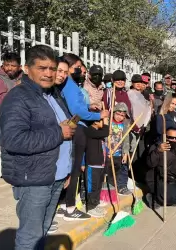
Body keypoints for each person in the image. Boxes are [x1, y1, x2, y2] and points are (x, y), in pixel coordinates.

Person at [0, 45, 75, 249]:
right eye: (42, 68)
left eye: (52, 68)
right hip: (34, 179)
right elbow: (15, 140)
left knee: (43, 230)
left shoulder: (53, 95)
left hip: (56, 176)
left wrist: (67, 168)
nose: (48, 73)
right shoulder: (18, 97)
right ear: (26, 68)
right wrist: (58, 133)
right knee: (30, 235)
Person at [57, 53, 109, 221]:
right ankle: (70, 208)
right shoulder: (70, 85)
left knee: (71, 166)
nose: (80, 69)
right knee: (74, 169)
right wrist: (98, 115)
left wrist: (88, 105)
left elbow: (78, 106)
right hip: (77, 128)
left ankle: (64, 203)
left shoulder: (69, 84)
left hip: (74, 125)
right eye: (77, 66)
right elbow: (77, 111)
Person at [0, 52, 22, 139]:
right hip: (3, 119)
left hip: (21, 117)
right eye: (7, 65)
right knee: (7, 148)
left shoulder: (24, 78)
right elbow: (2, 101)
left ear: (19, 67)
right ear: (3, 65)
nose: (9, 68)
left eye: (13, 66)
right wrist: (16, 87)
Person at [84, 116, 109, 217]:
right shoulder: (90, 131)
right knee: (92, 187)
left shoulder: (98, 132)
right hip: (93, 165)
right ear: (95, 122)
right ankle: (91, 207)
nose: (104, 123)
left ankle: (96, 202)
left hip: (100, 165)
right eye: (102, 120)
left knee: (98, 186)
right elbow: (106, 132)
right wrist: (106, 123)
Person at [105, 103, 132, 195]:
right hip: (108, 152)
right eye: (118, 114)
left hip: (119, 153)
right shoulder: (107, 122)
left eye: (122, 115)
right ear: (113, 113)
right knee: (108, 172)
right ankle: (109, 187)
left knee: (121, 169)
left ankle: (121, 186)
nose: (119, 117)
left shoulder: (125, 125)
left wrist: (125, 152)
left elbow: (126, 139)